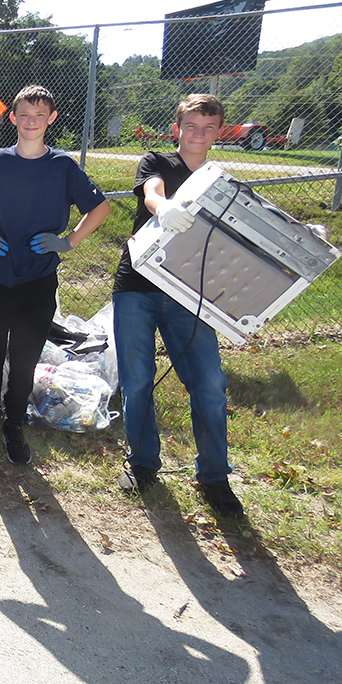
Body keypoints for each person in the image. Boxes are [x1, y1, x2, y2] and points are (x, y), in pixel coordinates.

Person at [0, 84, 110, 464]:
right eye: (24, 115)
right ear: (12, 118)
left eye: (39, 115)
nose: (31, 122)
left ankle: (14, 422)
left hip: (39, 279)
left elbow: (99, 209)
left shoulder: (63, 167)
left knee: (25, 358)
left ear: (51, 119)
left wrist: (68, 241)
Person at [112, 93, 244, 518]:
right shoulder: (157, 162)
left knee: (208, 383)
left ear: (219, 132)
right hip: (137, 286)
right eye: (191, 126)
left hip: (190, 296)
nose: (199, 134)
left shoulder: (220, 182)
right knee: (137, 380)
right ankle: (143, 462)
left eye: (208, 128)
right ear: (177, 129)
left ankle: (214, 476)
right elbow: (151, 192)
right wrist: (163, 207)